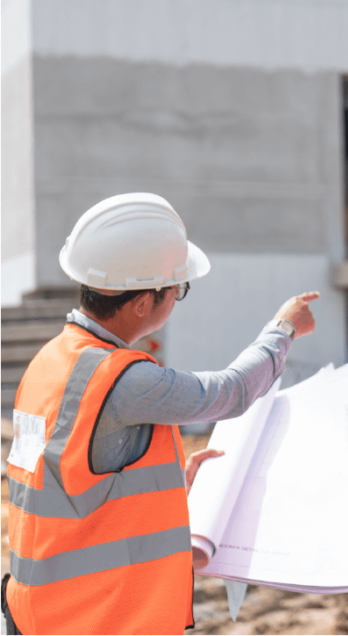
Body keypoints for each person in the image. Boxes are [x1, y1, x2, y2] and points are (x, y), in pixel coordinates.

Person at [1, 193, 318, 635]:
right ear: (142, 303)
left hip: (36, 613)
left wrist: (169, 483)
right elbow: (231, 391)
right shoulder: (123, 380)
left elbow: (66, 480)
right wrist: (283, 329)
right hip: (96, 620)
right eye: (177, 289)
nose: (177, 297)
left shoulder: (50, 363)